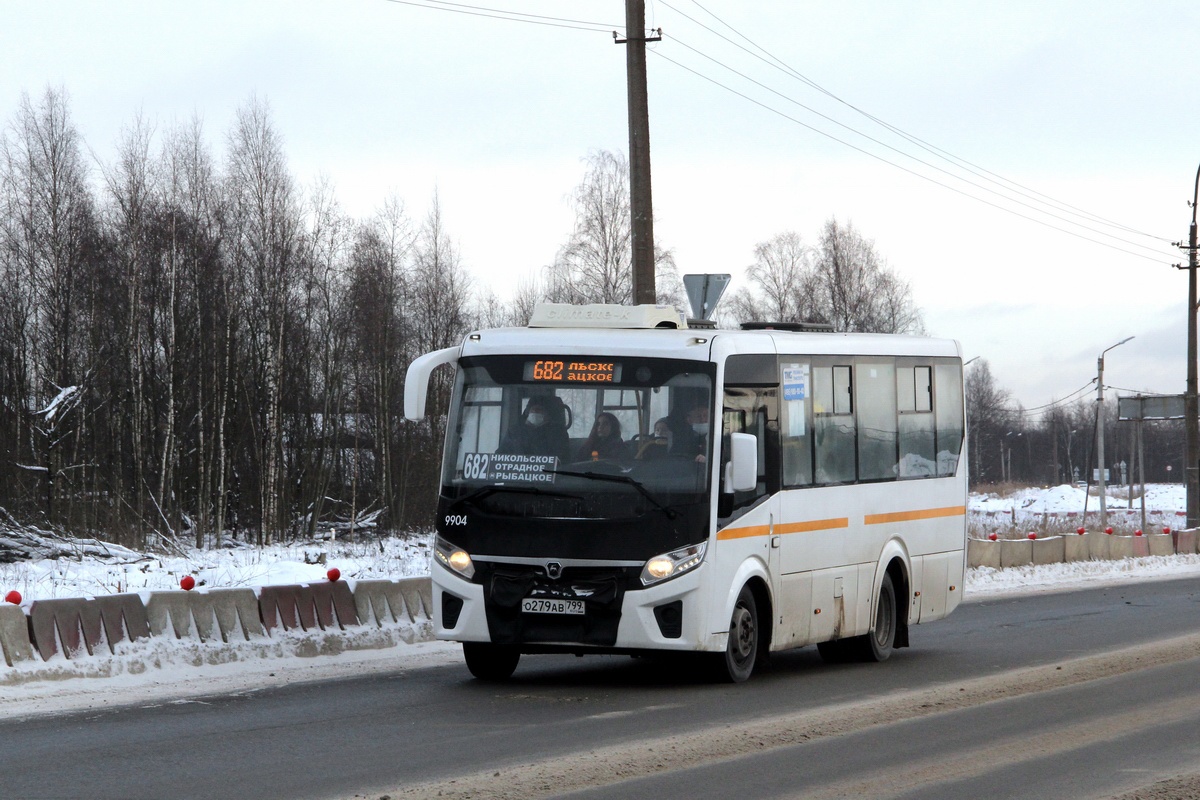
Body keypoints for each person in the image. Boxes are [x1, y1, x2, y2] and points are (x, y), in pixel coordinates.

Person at [499, 396, 571, 462]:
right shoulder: (514, 432)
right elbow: (500, 456)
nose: (535, 413)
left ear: (548, 415)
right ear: (527, 413)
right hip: (516, 473)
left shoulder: (558, 434)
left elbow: (561, 460)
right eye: (533, 410)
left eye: (539, 410)